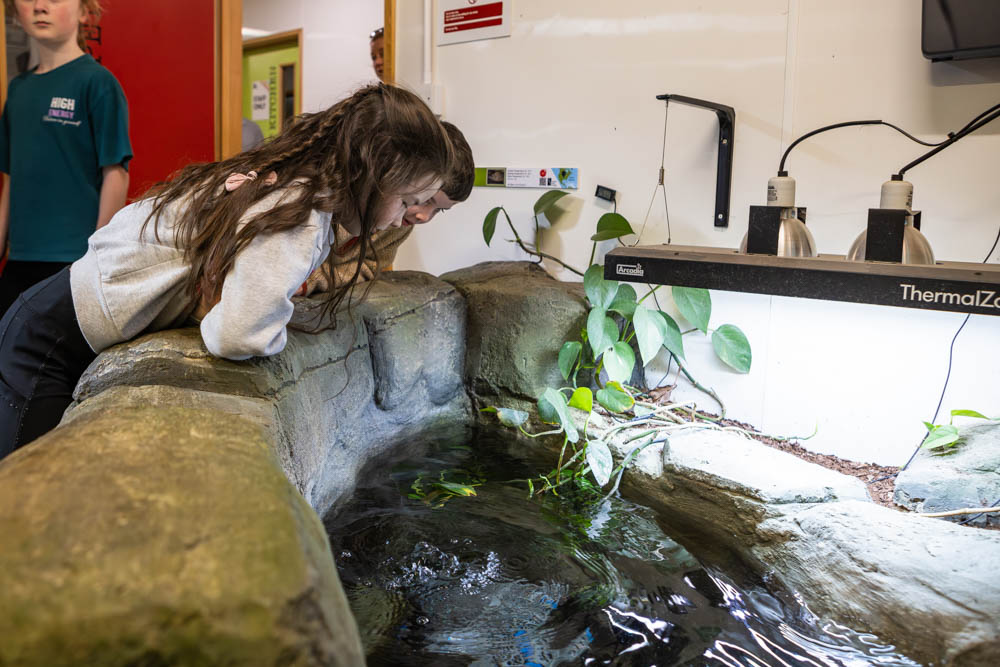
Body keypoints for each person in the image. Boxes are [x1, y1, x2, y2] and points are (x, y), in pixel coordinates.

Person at [0, 83, 452, 458]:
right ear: (374, 174)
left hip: (53, 315)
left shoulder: (297, 180)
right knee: (27, 488)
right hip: (48, 341)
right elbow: (237, 334)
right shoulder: (300, 212)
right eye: (410, 201)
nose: (402, 220)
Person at [0, 0, 131, 317]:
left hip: (74, 262)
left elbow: (116, 172)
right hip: (20, 261)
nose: (40, 6)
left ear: (85, 12)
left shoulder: (98, 82)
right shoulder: (17, 90)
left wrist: (97, 258)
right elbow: (10, 179)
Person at [297, 120, 474, 295]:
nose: (425, 217)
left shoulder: (400, 226)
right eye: (427, 200)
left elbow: (370, 266)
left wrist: (312, 281)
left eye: (439, 210)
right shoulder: (325, 199)